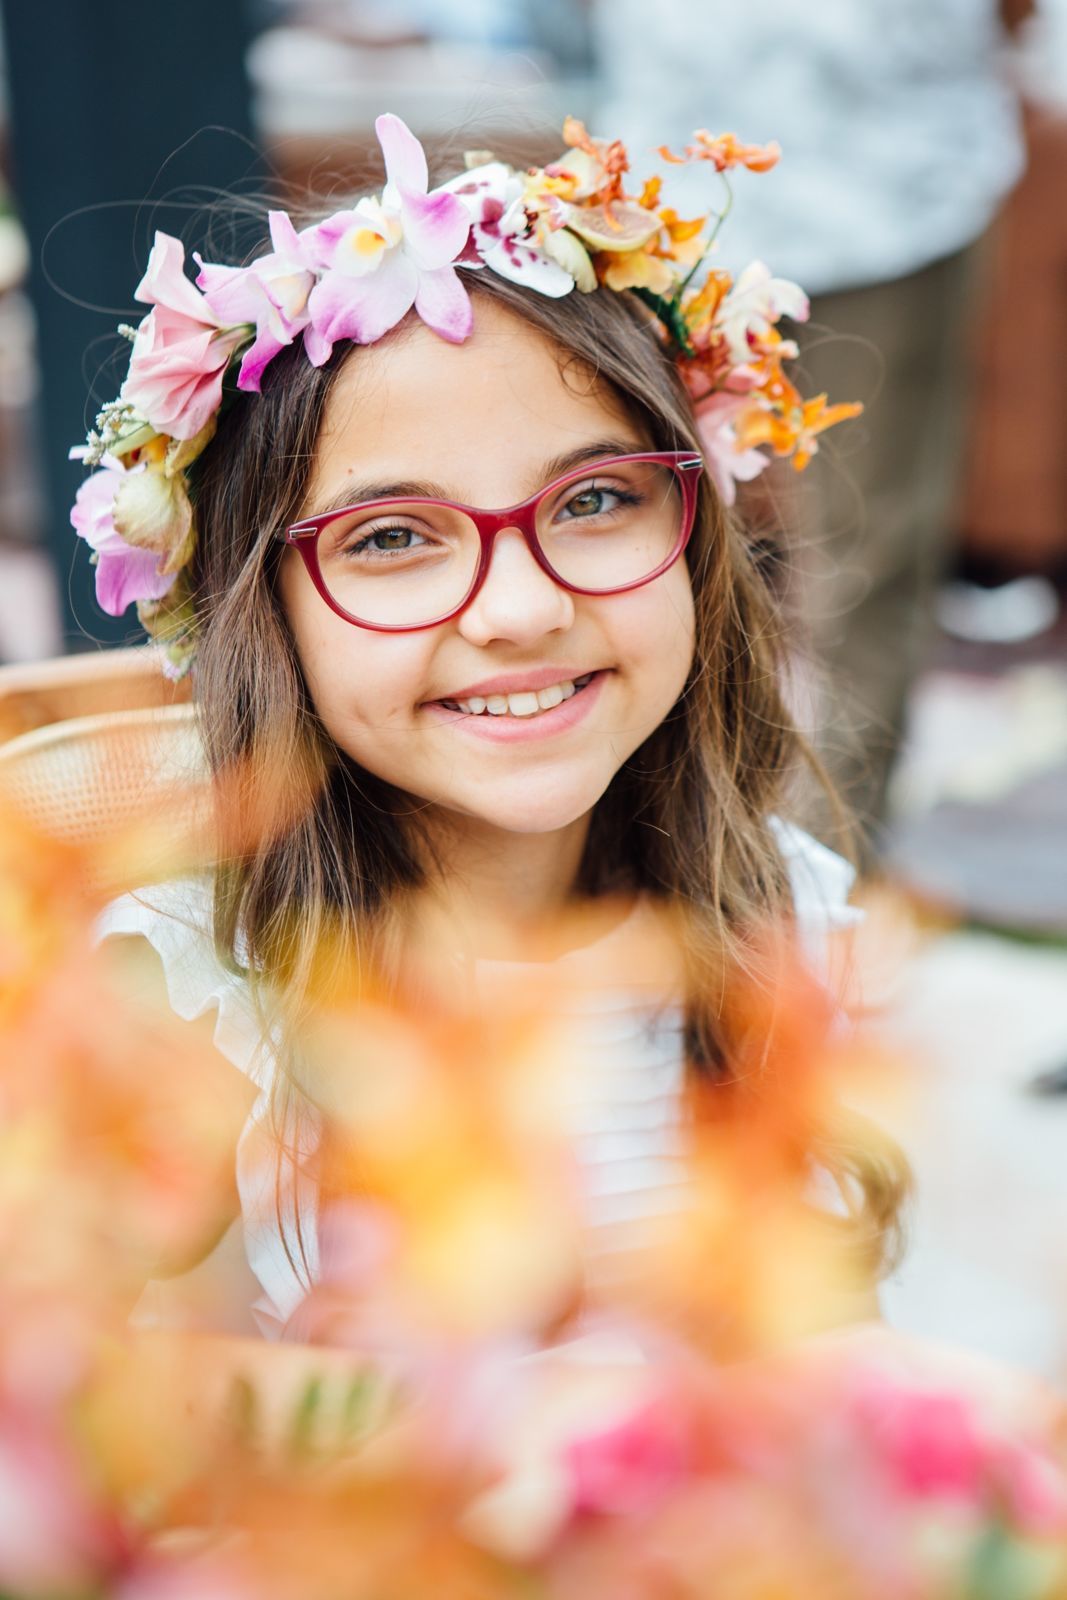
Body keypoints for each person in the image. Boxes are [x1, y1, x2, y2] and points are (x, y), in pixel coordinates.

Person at [72, 113, 902, 1340]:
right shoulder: (199, 996)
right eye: (392, 536)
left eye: (597, 498)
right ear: (263, 610)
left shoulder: (790, 922)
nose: (521, 608)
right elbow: (120, 1449)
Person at [591, 0, 1028, 858]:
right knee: (630, 528)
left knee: (871, 550)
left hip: (888, 179)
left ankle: (823, 878)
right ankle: (641, 855)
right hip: (670, 177)